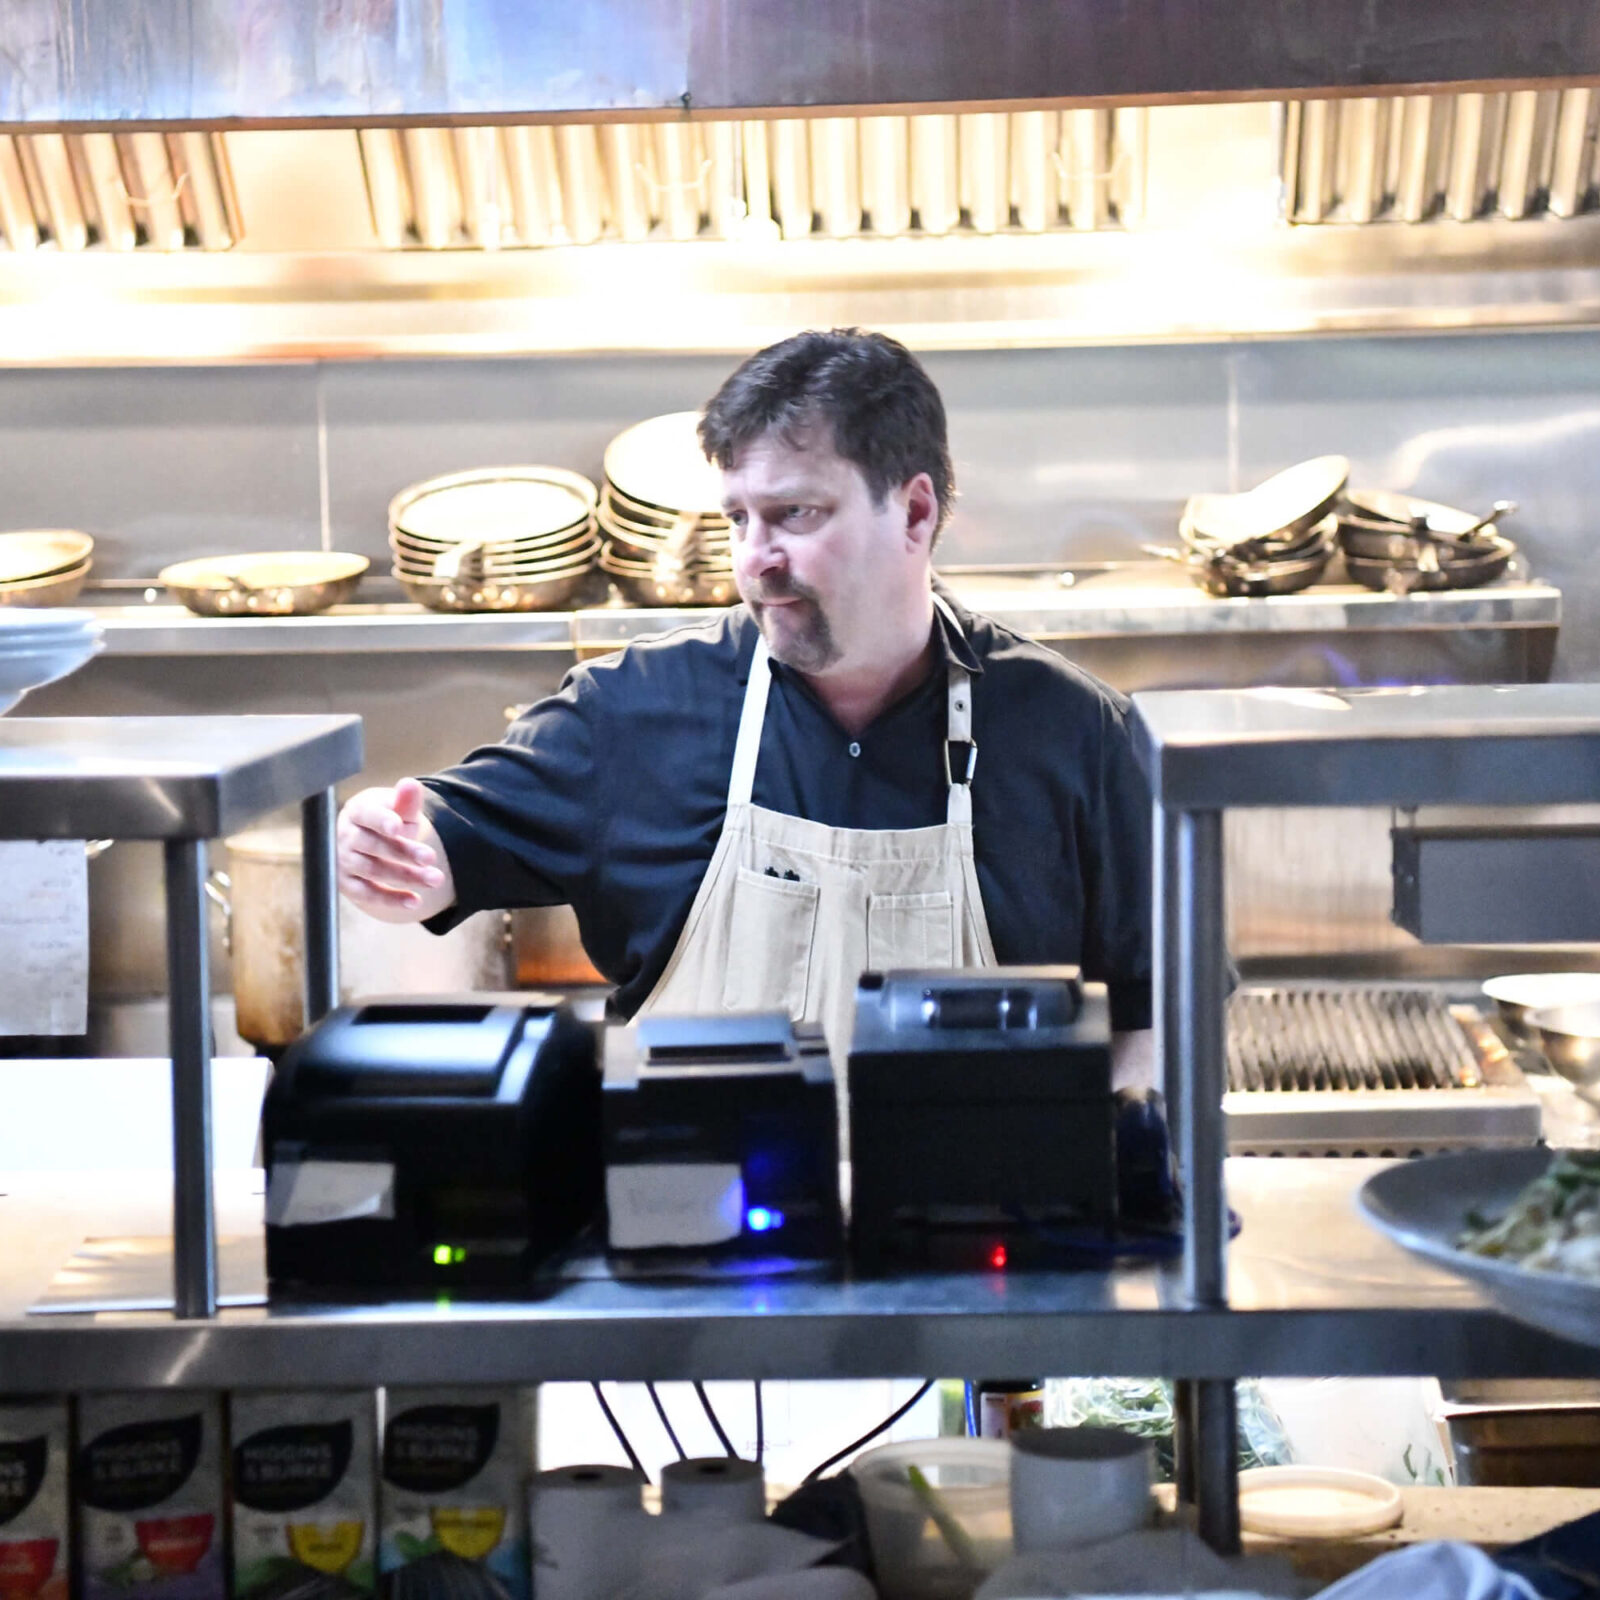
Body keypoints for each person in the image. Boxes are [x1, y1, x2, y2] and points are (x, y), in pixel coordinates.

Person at [337, 328, 1154, 1086]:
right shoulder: (632, 712)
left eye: (795, 514)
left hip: (977, 1230)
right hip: (702, 1223)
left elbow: (1156, 1016)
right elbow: (442, 838)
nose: (755, 560)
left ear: (913, 512)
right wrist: (392, 846)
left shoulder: (1076, 735)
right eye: (738, 518)